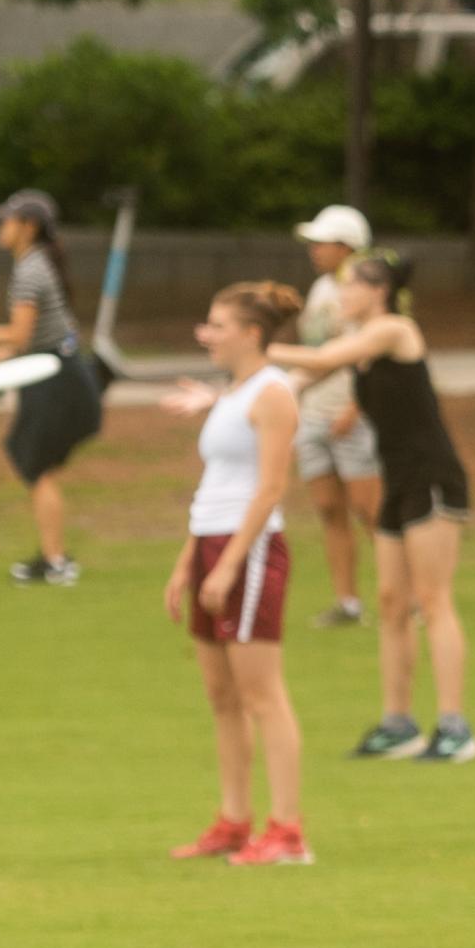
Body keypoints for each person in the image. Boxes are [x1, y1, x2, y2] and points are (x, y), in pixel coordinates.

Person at [271, 249, 475, 764]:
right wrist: (228, 392)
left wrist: (263, 346)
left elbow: (318, 360)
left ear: (378, 291)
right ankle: (398, 723)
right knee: (391, 600)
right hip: (396, 480)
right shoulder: (355, 345)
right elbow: (295, 382)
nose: (341, 294)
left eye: (351, 286)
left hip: (432, 476)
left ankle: (455, 728)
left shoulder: (394, 330)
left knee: (433, 600)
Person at [158, 284, 310, 866]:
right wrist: (186, 563)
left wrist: (226, 565)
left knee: (261, 695)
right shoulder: (234, 393)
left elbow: (270, 488)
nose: (206, 334)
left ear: (251, 333)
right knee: (221, 696)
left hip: (249, 550)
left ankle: (288, 831)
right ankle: (234, 820)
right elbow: (216, 486)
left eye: (217, 325)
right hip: (213, 545)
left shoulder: (273, 394)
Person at [0, 189, 98, 585]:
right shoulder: (36, 264)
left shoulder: (30, 270)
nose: (1, 227)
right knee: (32, 462)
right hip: (54, 371)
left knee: (36, 464)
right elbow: (32, 340)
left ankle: (57, 562)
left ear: (28, 227)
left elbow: (21, 335)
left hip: (55, 379)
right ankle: (53, 558)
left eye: (7, 220)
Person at [289, 204, 384, 628]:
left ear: (347, 247)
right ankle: (347, 603)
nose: (314, 249)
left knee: (371, 510)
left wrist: (355, 406)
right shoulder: (320, 288)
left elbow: (372, 358)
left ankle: (406, 597)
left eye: (321, 241)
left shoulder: (365, 292)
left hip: (350, 416)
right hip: (313, 415)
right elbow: (315, 352)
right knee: (329, 508)